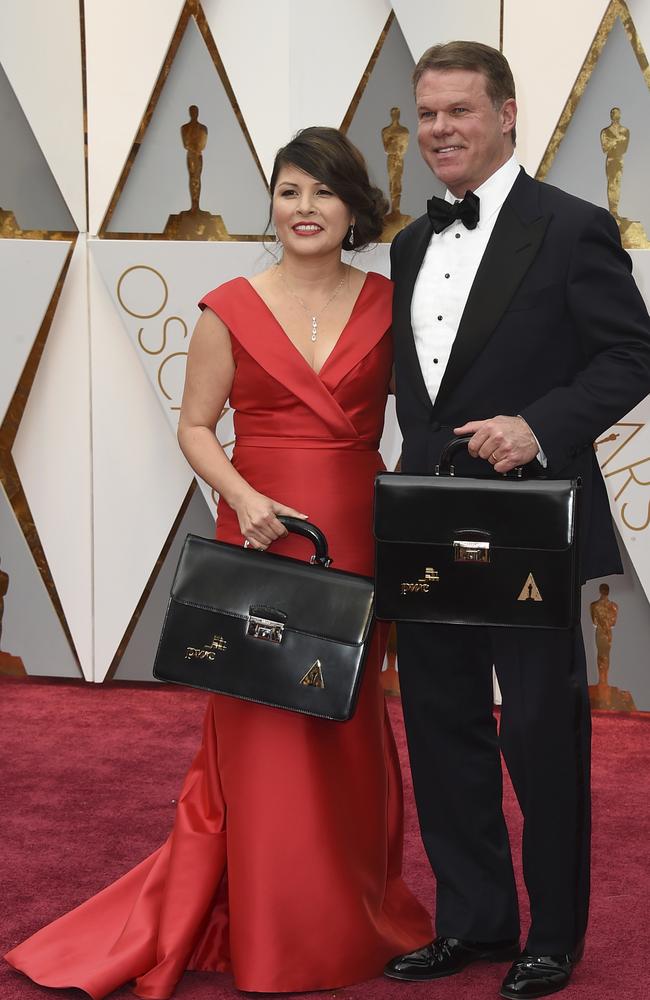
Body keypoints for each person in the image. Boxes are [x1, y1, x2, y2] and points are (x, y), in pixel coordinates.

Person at [4, 127, 431, 998]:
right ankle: (273, 924)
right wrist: (243, 500)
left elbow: (424, 412)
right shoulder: (227, 306)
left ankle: (347, 910)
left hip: (354, 532)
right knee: (263, 729)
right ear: (271, 204)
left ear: (353, 209)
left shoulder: (392, 305)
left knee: (345, 725)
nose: (304, 208)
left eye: (323, 192)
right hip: (263, 533)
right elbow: (195, 426)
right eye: (289, 191)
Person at [383, 41, 650, 999]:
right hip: (427, 520)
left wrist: (537, 426)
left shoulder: (573, 228)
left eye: (459, 111)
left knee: (540, 733)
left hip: (531, 520)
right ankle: (477, 923)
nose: (441, 131)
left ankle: (554, 937)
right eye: (427, 116)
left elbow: (630, 356)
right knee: (442, 723)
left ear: (506, 115)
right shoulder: (409, 243)